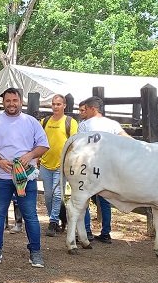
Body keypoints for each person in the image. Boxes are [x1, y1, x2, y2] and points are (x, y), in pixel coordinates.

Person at [0, 88, 49, 268]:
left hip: (25, 177)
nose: (11, 104)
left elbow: (43, 145)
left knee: (30, 215)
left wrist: (30, 155)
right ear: (3, 102)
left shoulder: (31, 122)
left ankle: (35, 252)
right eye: (8, 101)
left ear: (20, 101)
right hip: (1, 176)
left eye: (15, 100)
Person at [77, 96, 130, 243]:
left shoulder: (84, 125)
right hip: (108, 167)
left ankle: (87, 231)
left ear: (92, 109)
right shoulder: (113, 124)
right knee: (105, 200)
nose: (84, 112)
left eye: (86, 109)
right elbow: (126, 138)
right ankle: (106, 233)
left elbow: (80, 145)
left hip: (90, 165)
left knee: (85, 197)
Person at [39, 95, 78, 237]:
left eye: (59, 104)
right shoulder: (44, 122)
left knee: (57, 194)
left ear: (64, 106)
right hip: (45, 163)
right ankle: (54, 218)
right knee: (48, 195)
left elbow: (74, 143)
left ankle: (53, 222)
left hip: (61, 165)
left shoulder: (70, 122)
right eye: (54, 104)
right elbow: (38, 140)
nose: (55, 106)